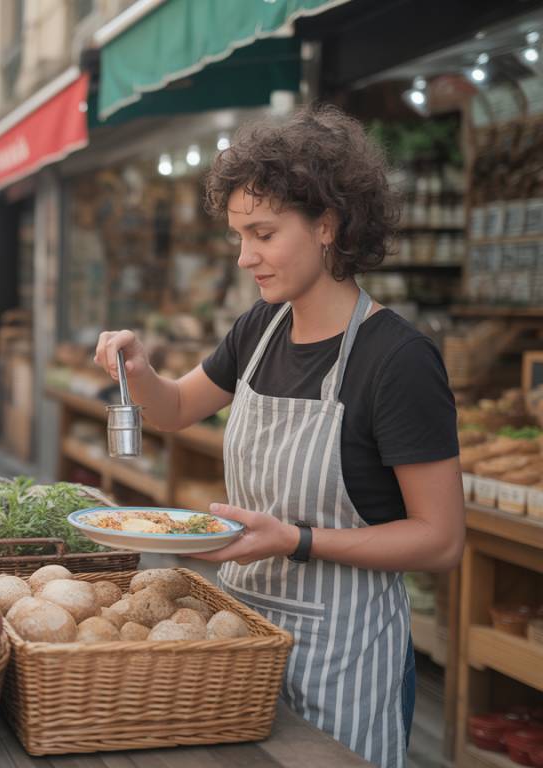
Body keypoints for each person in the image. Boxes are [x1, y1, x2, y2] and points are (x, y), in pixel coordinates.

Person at [94, 106, 463, 768]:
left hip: (344, 657)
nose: (245, 258)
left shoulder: (398, 359)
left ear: (328, 224)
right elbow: (177, 409)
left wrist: (298, 541)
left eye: (263, 233)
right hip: (240, 635)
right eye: (239, 236)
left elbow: (440, 539)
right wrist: (141, 372)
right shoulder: (260, 328)